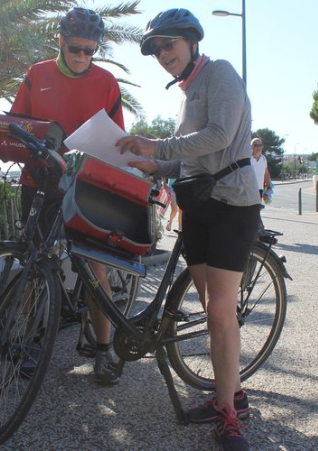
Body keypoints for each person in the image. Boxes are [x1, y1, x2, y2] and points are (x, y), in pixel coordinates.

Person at [116, 8, 259, 451]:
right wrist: (153, 163)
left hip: (234, 204)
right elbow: (187, 159)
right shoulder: (186, 91)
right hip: (197, 205)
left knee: (219, 309)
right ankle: (232, 393)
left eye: (168, 45)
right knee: (212, 306)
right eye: (156, 49)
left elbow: (219, 135)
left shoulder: (220, 73)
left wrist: (157, 145)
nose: (162, 54)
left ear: (191, 41)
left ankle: (229, 417)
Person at [9, 7, 125, 386]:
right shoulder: (36, 74)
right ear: (60, 40)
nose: (82, 57)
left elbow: (117, 141)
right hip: (38, 181)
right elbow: (15, 125)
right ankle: (27, 341)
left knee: (95, 268)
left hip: (86, 184)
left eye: (90, 51)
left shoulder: (107, 82)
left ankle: (104, 349)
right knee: (32, 265)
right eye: (75, 48)